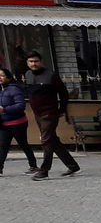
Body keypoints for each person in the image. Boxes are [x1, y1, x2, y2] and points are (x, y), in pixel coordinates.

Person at [24, 51, 79, 179]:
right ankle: (72, 165)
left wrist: (61, 110)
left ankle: (44, 170)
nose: (33, 64)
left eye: (36, 61)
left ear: (41, 61)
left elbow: (64, 93)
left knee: (46, 141)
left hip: (49, 113)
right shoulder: (27, 74)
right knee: (53, 141)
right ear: (27, 63)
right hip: (37, 114)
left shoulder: (51, 75)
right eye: (31, 61)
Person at [0, 67, 38, 175]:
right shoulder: (1, 89)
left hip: (17, 122)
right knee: (3, 146)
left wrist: (4, 109)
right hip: (4, 123)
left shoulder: (14, 89)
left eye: (2, 76)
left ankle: (33, 165)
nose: (0, 78)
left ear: (9, 77)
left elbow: (21, 106)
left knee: (23, 144)